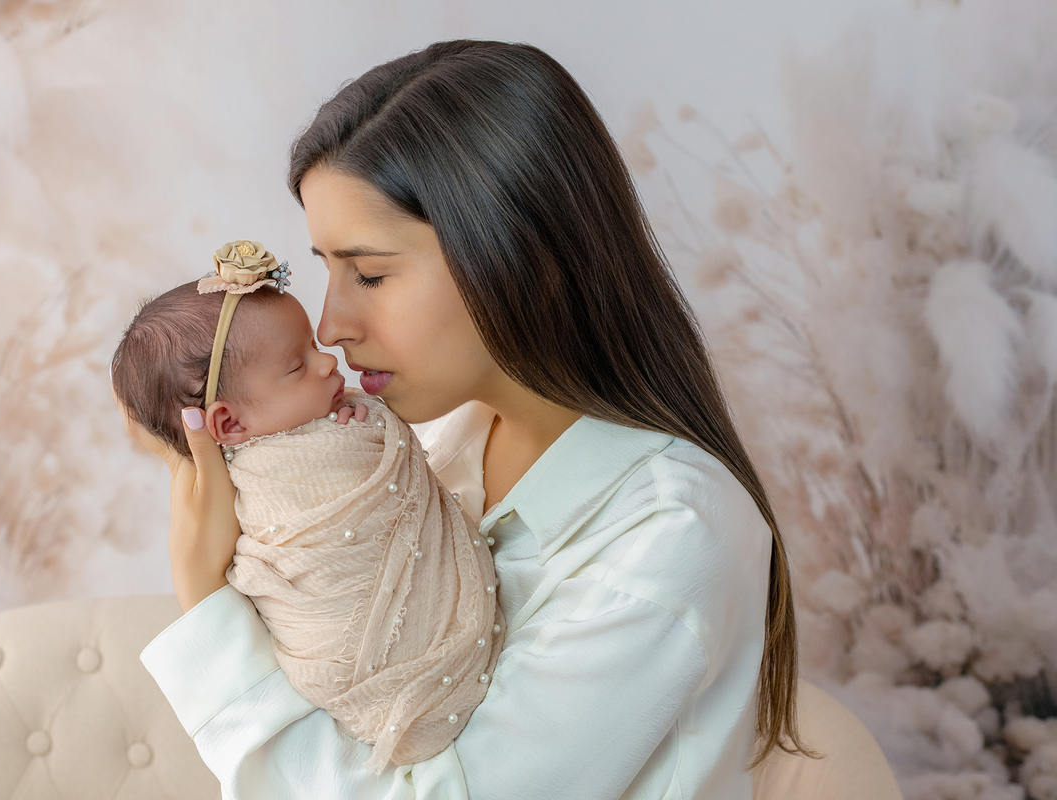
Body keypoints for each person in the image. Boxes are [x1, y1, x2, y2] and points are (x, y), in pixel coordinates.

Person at [126, 39, 808, 798]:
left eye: (371, 273)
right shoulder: (433, 445)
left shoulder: (674, 533)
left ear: (520, 259)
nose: (330, 326)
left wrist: (205, 598)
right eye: (326, 268)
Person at [111, 242, 503, 771]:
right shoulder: (260, 481)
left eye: (367, 273)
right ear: (228, 426)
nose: (328, 356)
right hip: (346, 668)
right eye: (297, 366)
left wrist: (359, 427)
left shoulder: (341, 428)